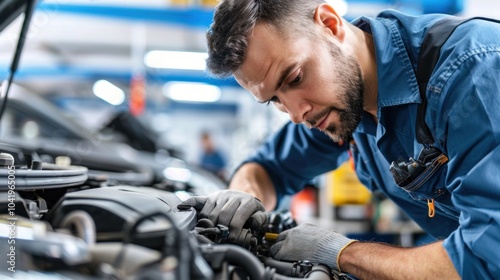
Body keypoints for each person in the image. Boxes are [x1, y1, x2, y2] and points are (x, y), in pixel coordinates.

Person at [178, 0, 500, 279]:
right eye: (274, 99)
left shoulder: (470, 74)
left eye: (294, 78)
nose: (296, 114)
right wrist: (241, 197)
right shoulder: (343, 102)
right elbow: (267, 168)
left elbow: (484, 263)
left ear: (330, 25)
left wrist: (340, 252)